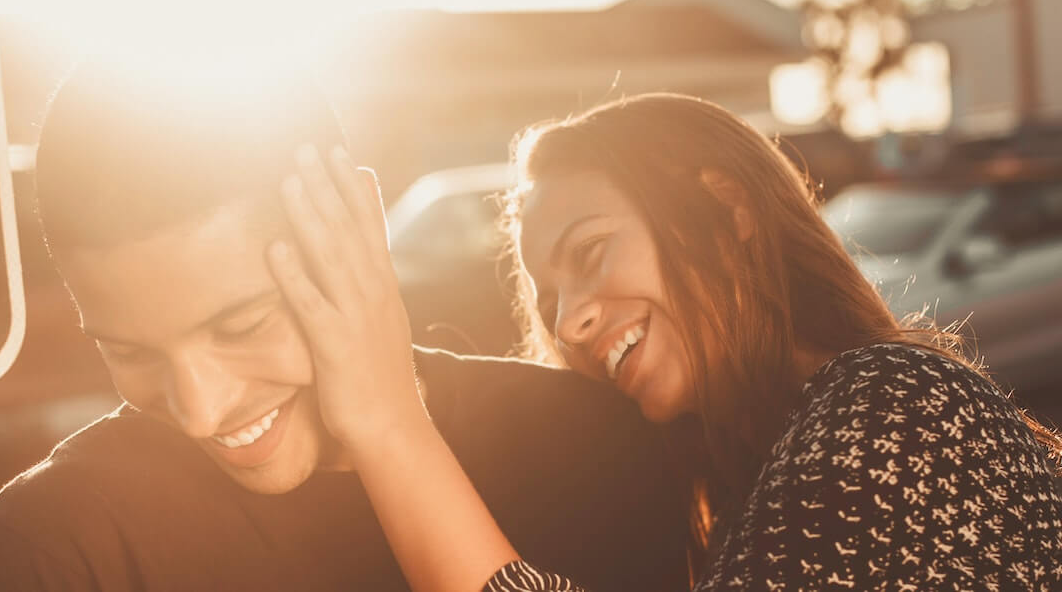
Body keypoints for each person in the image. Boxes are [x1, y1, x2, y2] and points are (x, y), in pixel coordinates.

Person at [0, 53, 695, 591]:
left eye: (241, 325)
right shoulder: (45, 552)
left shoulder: (587, 448)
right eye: (128, 350)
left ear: (357, 226)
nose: (200, 409)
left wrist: (386, 426)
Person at [276, 92, 1062, 591]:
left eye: (589, 255)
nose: (570, 321)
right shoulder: (751, 489)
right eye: (548, 300)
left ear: (727, 213)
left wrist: (388, 424)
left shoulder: (897, 406)